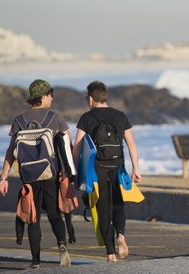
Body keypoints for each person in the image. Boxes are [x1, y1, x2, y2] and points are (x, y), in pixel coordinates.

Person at [0, 79, 72, 269]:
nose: (52, 98)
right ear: (44, 96)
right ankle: (62, 244)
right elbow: (67, 148)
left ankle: (36, 260)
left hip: (29, 177)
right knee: (55, 215)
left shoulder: (19, 121)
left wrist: (4, 177)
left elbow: (10, 152)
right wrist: (71, 173)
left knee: (33, 218)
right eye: (50, 94)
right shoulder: (55, 118)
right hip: (50, 175)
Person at [72, 80, 141, 262]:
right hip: (118, 168)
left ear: (90, 98)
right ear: (105, 96)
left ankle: (111, 254)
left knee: (103, 210)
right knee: (118, 205)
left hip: (97, 170)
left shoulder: (86, 118)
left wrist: (76, 172)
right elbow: (132, 145)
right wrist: (135, 169)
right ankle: (121, 235)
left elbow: (77, 148)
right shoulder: (120, 116)